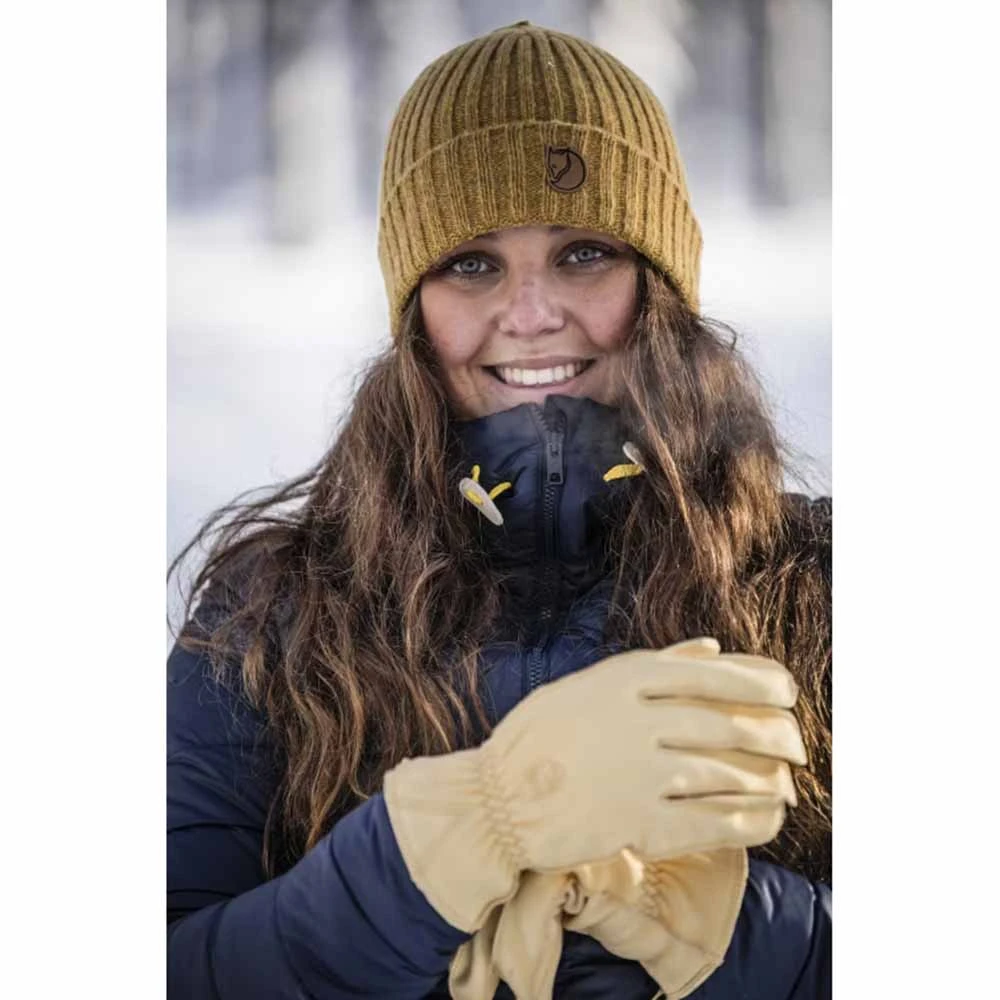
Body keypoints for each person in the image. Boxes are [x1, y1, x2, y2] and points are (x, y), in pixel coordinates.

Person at [167, 21, 831, 1000]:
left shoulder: (818, 580)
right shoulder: (272, 608)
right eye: (472, 264)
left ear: (660, 284)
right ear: (414, 304)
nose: (530, 315)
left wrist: (734, 934)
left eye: (584, 253)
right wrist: (448, 841)